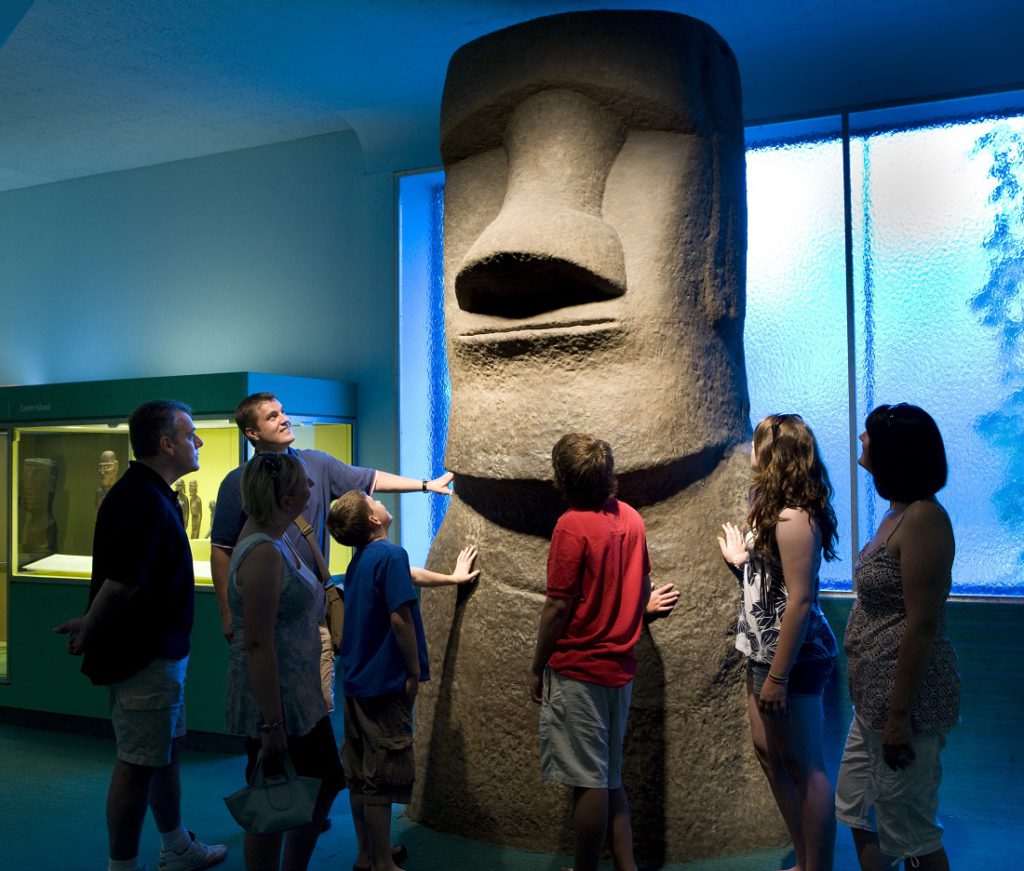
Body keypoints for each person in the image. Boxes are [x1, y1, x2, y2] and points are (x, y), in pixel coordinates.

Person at [53, 400, 226, 871]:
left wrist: (92, 619)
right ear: (166, 443)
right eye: (192, 434)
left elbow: (124, 576)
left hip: (159, 652)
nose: (200, 442)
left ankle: (176, 845)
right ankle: (123, 866)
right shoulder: (141, 498)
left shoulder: (151, 494)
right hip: (144, 655)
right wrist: (92, 622)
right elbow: (123, 580)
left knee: (163, 751)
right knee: (137, 763)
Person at [210, 392, 464, 711]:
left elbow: (368, 479)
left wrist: (426, 485)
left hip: (311, 614)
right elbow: (221, 549)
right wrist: (226, 612)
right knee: (267, 715)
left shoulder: (316, 463)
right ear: (252, 432)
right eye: (272, 416)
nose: (285, 419)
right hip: (264, 613)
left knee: (317, 706)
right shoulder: (239, 483)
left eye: (283, 411)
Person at [529, 433, 670, 871]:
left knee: (588, 781)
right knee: (609, 776)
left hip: (579, 669)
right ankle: (626, 865)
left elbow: (558, 605)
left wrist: (537, 666)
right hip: (620, 668)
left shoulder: (571, 525)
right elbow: (639, 580)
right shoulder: (630, 518)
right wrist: (635, 609)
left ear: (563, 479)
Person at [835, 404, 960, 871]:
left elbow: (923, 623)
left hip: (906, 705)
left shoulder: (925, 518)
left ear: (896, 451)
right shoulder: (897, 512)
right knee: (860, 807)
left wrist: (900, 716)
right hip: (874, 701)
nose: (861, 441)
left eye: (869, 435)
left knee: (911, 828)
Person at [718, 413, 839, 871]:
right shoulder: (773, 508)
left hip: (793, 659)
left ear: (771, 454)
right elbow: (778, 579)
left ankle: (817, 867)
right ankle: (805, 857)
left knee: (807, 766)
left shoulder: (794, 518)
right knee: (770, 753)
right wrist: (743, 561)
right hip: (765, 653)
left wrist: (778, 677)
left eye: (756, 443)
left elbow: (802, 601)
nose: (750, 449)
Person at [226, 451, 345, 870]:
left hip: (298, 693)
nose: (311, 490)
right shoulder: (263, 553)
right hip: (279, 700)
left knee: (321, 784)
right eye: (303, 485)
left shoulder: (275, 540)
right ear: (283, 496)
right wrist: (272, 724)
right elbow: (258, 643)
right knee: (271, 800)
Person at [327, 489, 432, 871]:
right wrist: (414, 670)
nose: (381, 503)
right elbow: (400, 618)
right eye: (375, 502)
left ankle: (367, 852)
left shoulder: (360, 561)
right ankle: (384, 862)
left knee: (358, 772)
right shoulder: (390, 555)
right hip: (384, 682)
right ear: (373, 521)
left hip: (356, 680)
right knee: (382, 777)